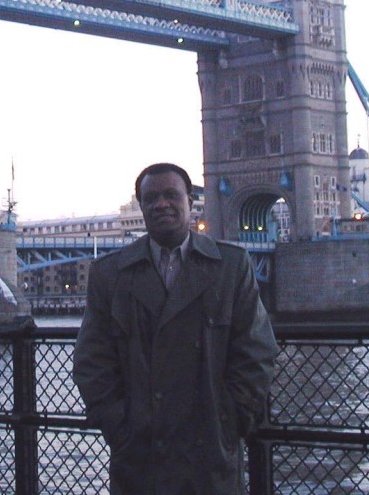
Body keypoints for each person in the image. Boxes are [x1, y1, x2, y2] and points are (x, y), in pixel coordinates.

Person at [73, 162, 278, 494]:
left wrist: (231, 419)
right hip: (140, 455)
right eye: (151, 198)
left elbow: (257, 351)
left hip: (210, 452)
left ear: (191, 201)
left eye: (171, 195)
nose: (161, 204)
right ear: (141, 206)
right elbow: (91, 360)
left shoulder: (231, 267)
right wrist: (118, 425)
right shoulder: (109, 274)